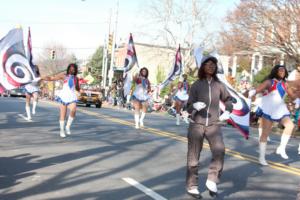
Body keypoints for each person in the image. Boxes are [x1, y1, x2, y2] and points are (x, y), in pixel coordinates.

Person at [185, 56, 233, 198]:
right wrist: (193, 106)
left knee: (220, 150)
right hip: (197, 124)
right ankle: (192, 185)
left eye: (213, 64)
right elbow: (188, 106)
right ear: (203, 67)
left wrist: (228, 111)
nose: (211, 66)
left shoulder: (219, 85)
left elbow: (229, 99)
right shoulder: (196, 85)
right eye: (208, 64)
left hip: (214, 124)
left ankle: (212, 179)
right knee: (193, 157)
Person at [248, 64, 298, 165]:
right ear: (275, 71)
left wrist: (296, 99)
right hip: (268, 108)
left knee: (290, 125)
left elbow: (291, 95)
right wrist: (250, 93)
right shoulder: (269, 82)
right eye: (280, 70)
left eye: (284, 71)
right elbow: (258, 90)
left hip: (280, 108)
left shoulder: (285, 84)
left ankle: (281, 148)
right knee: (265, 134)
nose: (282, 72)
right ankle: (261, 157)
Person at [42, 63, 80, 138]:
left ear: (75, 70)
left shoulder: (76, 78)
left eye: (73, 69)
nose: (72, 70)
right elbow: (52, 79)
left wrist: (79, 90)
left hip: (72, 97)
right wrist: (44, 78)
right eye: (70, 68)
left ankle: (67, 126)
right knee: (63, 115)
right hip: (63, 96)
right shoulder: (64, 76)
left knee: (74, 109)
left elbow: (77, 88)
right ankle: (62, 130)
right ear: (68, 69)